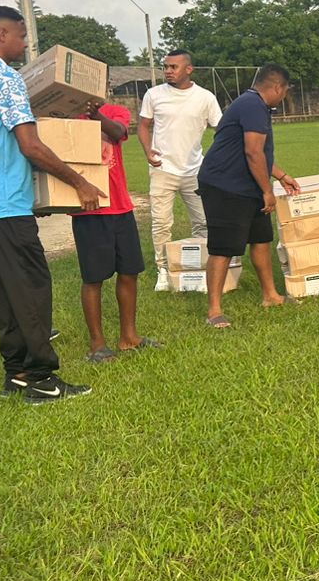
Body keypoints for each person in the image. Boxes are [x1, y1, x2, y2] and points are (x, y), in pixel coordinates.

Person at [0, 5, 104, 403]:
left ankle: (16, 372)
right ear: (1, 34)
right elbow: (30, 144)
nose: (24, 42)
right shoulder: (4, 78)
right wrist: (79, 181)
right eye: (20, 34)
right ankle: (41, 378)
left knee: (4, 291)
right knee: (31, 287)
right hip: (1, 203)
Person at [195, 63, 300, 326]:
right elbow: (253, 152)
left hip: (246, 184)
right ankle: (214, 311)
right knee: (224, 247)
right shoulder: (252, 105)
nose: (284, 96)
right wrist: (267, 191)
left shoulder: (257, 106)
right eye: (285, 91)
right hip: (225, 186)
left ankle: (270, 296)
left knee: (261, 239)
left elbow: (260, 154)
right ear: (277, 87)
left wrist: (281, 175)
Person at [72, 100, 159, 362]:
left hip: (120, 206)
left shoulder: (114, 110)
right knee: (94, 278)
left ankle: (129, 336)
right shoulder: (67, 114)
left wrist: (95, 114)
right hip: (90, 209)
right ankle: (97, 344)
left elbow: (120, 132)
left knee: (130, 272)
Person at [137, 47, 222, 291]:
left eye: (173, 67)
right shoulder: (154, 94)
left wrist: (214, 161)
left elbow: (221, 131)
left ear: (189, 69)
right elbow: (144, 126)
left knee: (204, 222)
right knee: (161, 223)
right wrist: (147, 150)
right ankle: (163, 270)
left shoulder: (205, 97)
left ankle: (202, 268)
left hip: (195, 171)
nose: (167, 71)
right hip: (162, 169)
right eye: (165, 67)